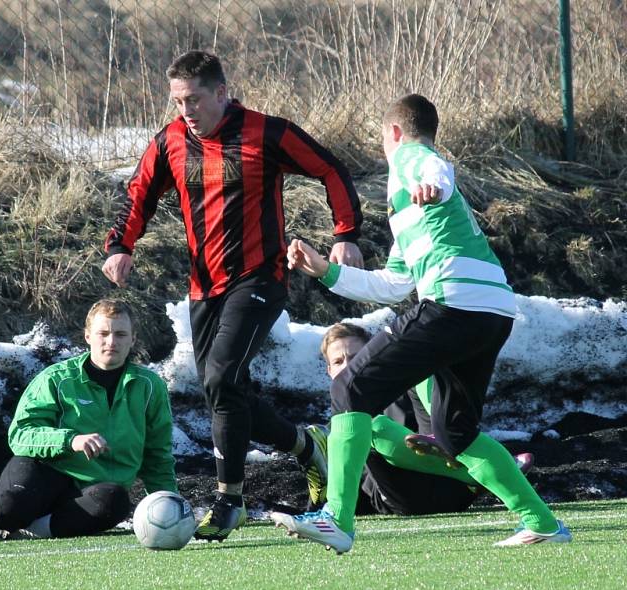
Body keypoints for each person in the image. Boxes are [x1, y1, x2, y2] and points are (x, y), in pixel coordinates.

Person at [278, 94, 571, 552]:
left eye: (383, 139)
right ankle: (542, 523)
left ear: (393, 132)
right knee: (456, 432)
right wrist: (326, 272)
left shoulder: (413, 161)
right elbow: (394, 284)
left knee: (349, 388)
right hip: (492, 311)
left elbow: (434, 167)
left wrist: (431, 181)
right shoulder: (412, 214)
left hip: (454, 303)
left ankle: (336, 518)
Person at [101, 50, 367, 541]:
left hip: (260, 278)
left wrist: (346, 232)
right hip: (204, 286)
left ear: (221, 93)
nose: (186, 110)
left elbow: (331, 169)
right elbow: (139, 193)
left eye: (195, 99)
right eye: (178, 101)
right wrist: (121, 244)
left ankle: (230, 501)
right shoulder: (171, 142)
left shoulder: (267, 132)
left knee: (222, 377)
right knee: (225, 389)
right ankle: (309, 448)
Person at [0, 299, 177, 546]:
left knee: (114, 502)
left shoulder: (149, 387)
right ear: (87, 336)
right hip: (46, 471)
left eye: (120, 334)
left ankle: (23, 530)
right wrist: (70, 439)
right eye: (103, 333)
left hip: (94, 489)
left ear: (133, 339)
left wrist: (172, 506)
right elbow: (20, 435)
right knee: (11, 508)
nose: (111, 341)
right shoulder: (57, 379)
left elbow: (157, 454)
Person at [287, 323, 534, 519]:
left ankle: (456, 451)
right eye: (339, 362)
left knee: (424, 373)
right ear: (329, 372)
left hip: (449, 486)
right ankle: (482, 472)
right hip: (403, 498)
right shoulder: (341, 421)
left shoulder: (409, 387)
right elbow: (349, 490)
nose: (350, 367)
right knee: (371, 427)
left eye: (357, 357)